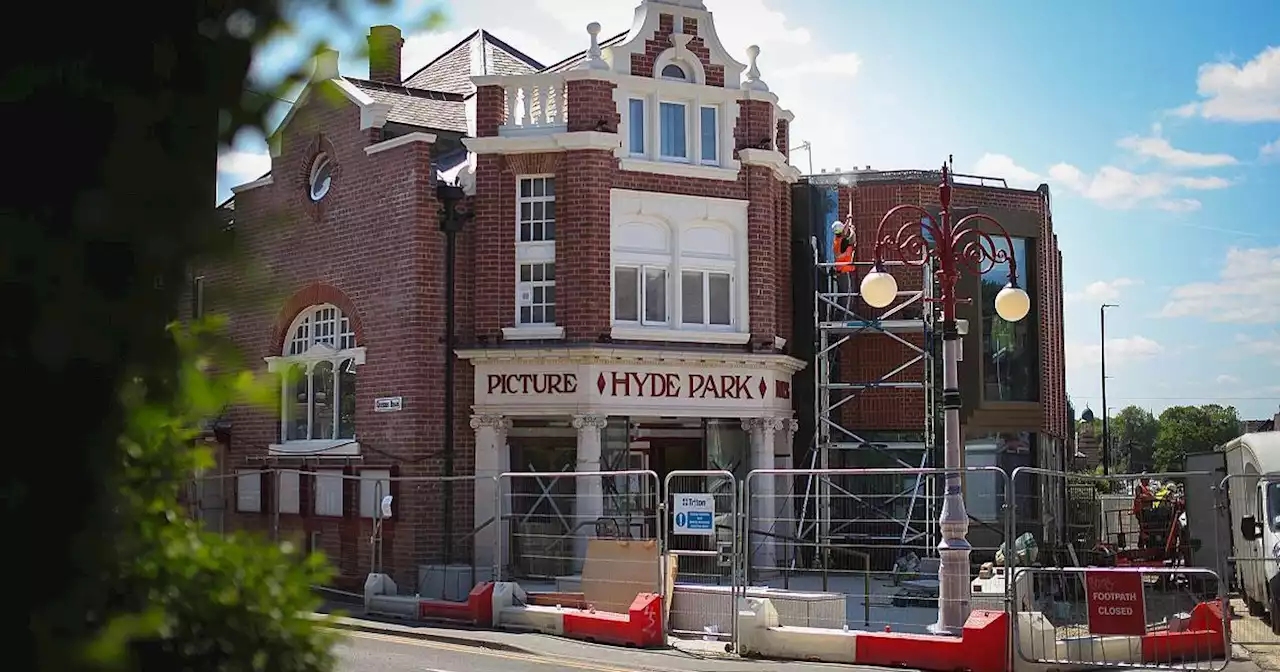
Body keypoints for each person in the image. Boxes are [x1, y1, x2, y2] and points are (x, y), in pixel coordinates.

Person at [830, 220, 857, 319]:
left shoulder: (838, 240)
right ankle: (846, 317)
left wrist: (848, 220)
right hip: (845, 272)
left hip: (842, 272)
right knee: (848, 295)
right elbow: (852, 240)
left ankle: (838, 317)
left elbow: (844, 231)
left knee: (843, 296)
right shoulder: (843, 242)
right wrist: (853, 230)